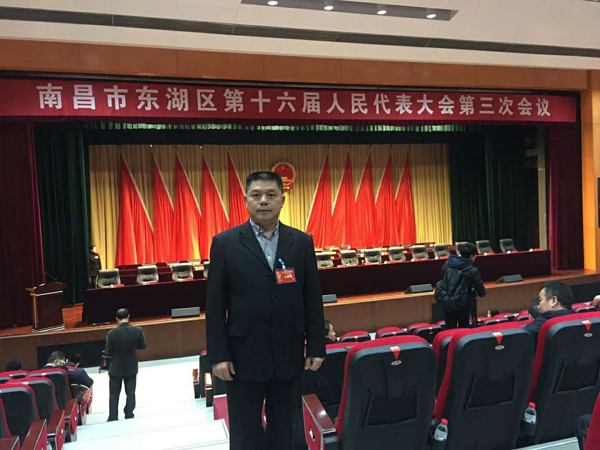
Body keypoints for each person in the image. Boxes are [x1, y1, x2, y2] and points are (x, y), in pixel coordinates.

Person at [206, 171, 325, 450]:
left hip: (289, 355)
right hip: (242, 358)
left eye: (271, 195)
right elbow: (215, 306)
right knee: (245, 435)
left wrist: (316, 346)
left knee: (285, 431)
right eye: (256, 195)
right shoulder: (225, 243)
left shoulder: (301, 242)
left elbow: (312, 299)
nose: (263, 201)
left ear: (282, 200)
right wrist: (218, 356)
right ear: (245, 200)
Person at [105, 308, 146, 421]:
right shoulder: (138, 330)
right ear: (128, 317)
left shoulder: (111, 333)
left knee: (114, 394)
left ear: (116, 319)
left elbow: (108, 352)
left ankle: (113, 416)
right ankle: (129, 413)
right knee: (131, 392)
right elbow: (142, 346)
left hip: (115, 367)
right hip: (131, 366)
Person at [435, 242, 486, 329]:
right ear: (471, 257)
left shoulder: (448, 263)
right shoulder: (472, 270)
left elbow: (442, 278)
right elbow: (481, 292)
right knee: (464, 329)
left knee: (450, 328)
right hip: (463, 304)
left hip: (447, 301)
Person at [525, 282, 574, 346]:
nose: (539, 307)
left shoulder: (538, 326)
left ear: (553, 301)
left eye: (540, 300)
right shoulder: (581, 321)